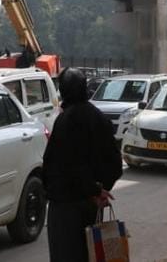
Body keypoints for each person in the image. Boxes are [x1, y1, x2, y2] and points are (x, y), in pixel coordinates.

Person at [43, 67, 123, 262]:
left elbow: (62, 165)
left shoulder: (65, 121)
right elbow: (114, 162)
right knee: (91, 254)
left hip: (65, 206)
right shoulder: (98, 118)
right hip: (91, 204)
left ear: (62, 90)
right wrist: (100, 190)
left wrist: (93, 190)